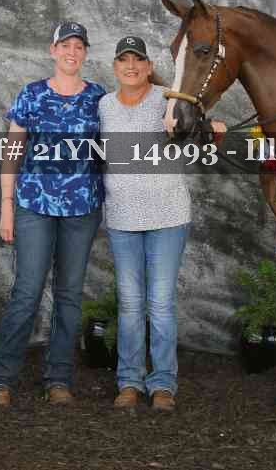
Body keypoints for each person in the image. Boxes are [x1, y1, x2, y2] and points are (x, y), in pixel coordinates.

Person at [99, 36, 226, 411]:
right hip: (122, 217)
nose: (131, 66)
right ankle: (129, 381)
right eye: (124, 60)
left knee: (160, 304)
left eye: (138, 59)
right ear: (115, 67)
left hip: (167, 216)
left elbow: (202, 137)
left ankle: (162, 384)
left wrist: (211, 131)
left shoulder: (169, 100)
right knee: (129, 304)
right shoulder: (104, 105)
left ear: (149, 67)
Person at [0, 21, 105, 407]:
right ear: (53, 50)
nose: (71, 52)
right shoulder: (32, 95)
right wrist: (6, 206)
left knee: (69, 295)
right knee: (27, 291)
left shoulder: (99, 98)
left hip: (82, 210)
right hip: (33, 207)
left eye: (78, 46)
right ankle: (1, 380)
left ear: (85, 53)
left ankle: (59, 379)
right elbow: (12, 153)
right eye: (64, 45)